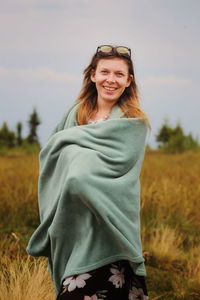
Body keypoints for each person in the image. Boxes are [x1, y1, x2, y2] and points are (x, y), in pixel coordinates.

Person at [27, 45, 150, 300]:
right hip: (75, 227)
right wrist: (74, 158)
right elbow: (51, 156)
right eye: (105, 72)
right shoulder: (75, 114)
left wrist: (75, 155)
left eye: (119, 74)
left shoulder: (133, 123)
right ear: (92, 75)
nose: (111, 80)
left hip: (111, 228)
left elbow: (119, 172)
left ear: (129, 81)